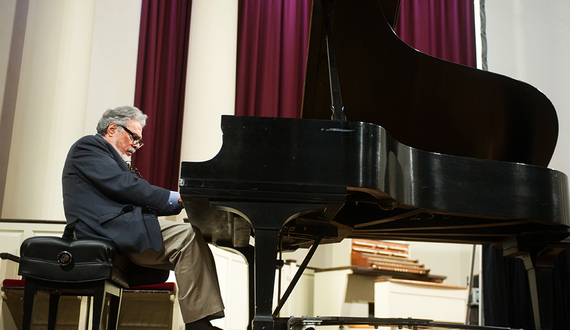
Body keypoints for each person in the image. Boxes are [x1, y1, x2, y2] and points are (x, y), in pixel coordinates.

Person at [62, 105, 224, 330]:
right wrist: (176, 198)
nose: (136, 146)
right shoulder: (88, 146)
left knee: (190, 237)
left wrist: (176, 203)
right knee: (187, 236)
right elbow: (125, 186)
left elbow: (130, 192)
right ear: (112, 128)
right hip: (106, 230)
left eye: (140, 141)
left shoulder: (108, 157)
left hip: (119, 227)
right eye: (134, 137)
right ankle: (198, 324)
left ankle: (200, 321)